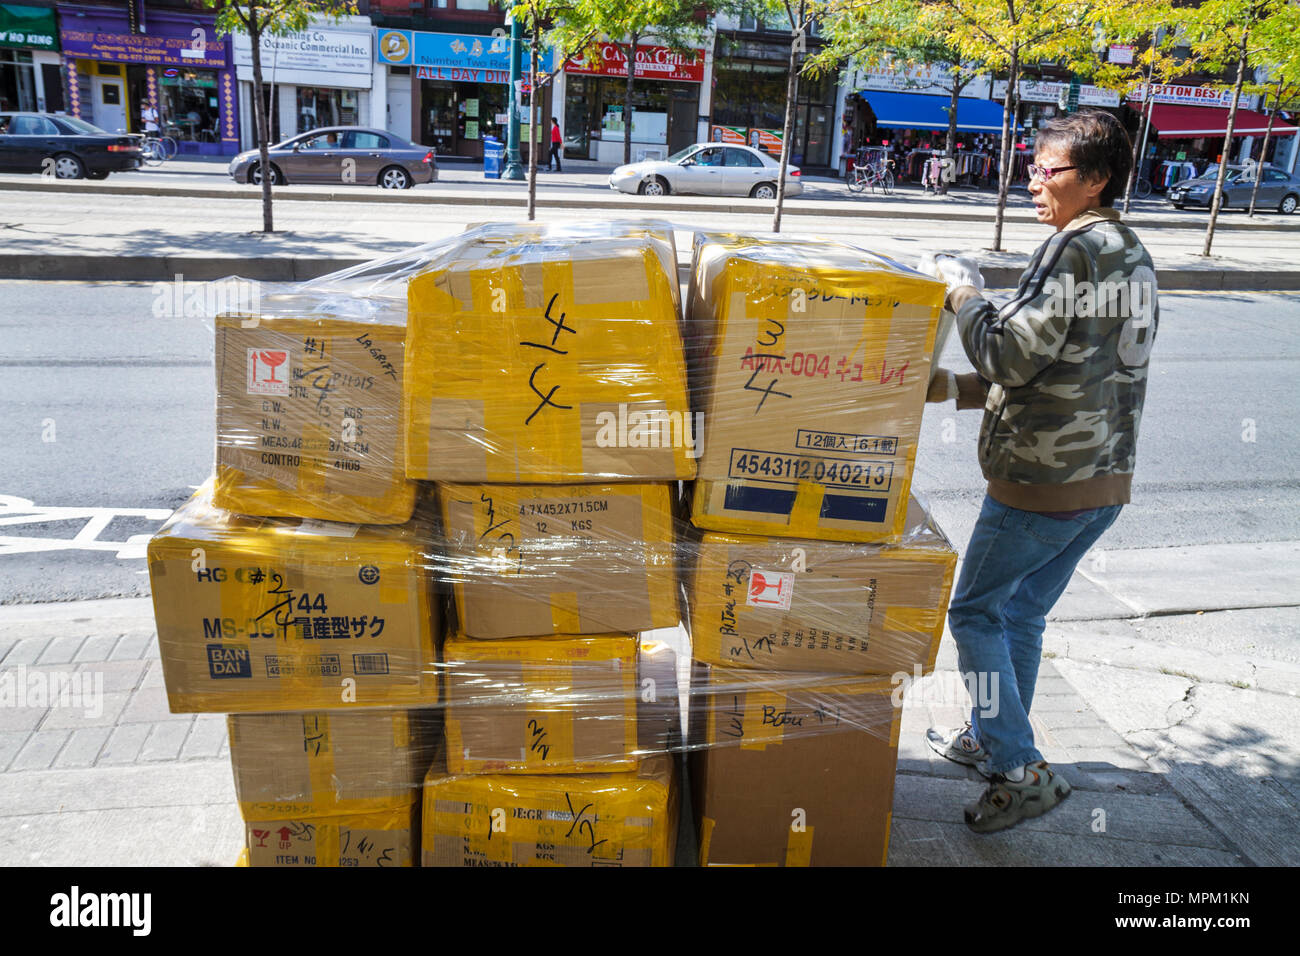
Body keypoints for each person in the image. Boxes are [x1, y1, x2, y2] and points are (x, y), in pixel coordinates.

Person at [920, 109, 1159, 833]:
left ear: (1095, 179)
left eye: (1047, 171)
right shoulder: (1130, 249)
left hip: (1040, 485)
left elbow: (1009, 355)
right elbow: (1071, 366)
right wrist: (955, 390)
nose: (1033, 182)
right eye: (1031, 168)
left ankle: (1018, 768)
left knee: (974, 613)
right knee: (1020, 613)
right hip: (1102, 479)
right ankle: (993, 736)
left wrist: (963, 294)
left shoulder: (1072, 248)